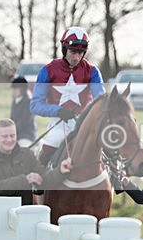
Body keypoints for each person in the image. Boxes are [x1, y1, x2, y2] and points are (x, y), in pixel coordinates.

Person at [0, 118, 72, 240]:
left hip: (26, 220)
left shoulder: (27, 155)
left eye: (12, 135)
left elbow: (43, 179)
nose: (9, 140)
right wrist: (24, 180)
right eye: (5, 136)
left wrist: (60, 170)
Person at [30, 26, 105, 165]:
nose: (77, 57)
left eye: (81, 53)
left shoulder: (93, 72)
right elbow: (35, 105)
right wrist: (58, 111)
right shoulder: (47, 71)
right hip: (59, 124)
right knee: (52, 141)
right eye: (73, 52)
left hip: (85, 124)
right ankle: (38, 182)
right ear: (64, 49)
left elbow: (101, 100)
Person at [10, 76, 37, 147]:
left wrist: (12, 131)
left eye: (15, 89)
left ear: (22, 90)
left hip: (26, 135)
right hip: (15, 135)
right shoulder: (14, 102)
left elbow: (24, 121)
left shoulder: (29, 102)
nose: (13, 92)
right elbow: (11, 119)